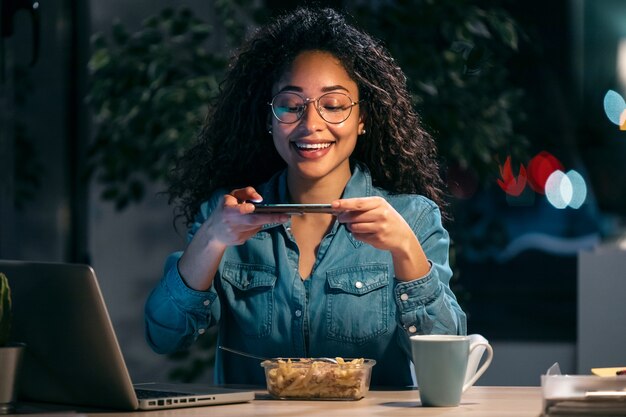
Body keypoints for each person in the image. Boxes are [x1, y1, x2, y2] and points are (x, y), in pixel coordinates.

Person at [144, 6, 466, 387]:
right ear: (269, 119)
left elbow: (449, 363)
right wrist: (212, 238)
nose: (311, 124)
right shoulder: (226, 216)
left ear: (363, 119)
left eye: (333, 105)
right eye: (291, 106)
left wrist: (406, 252)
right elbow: (164, 336)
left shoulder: (412, 217)